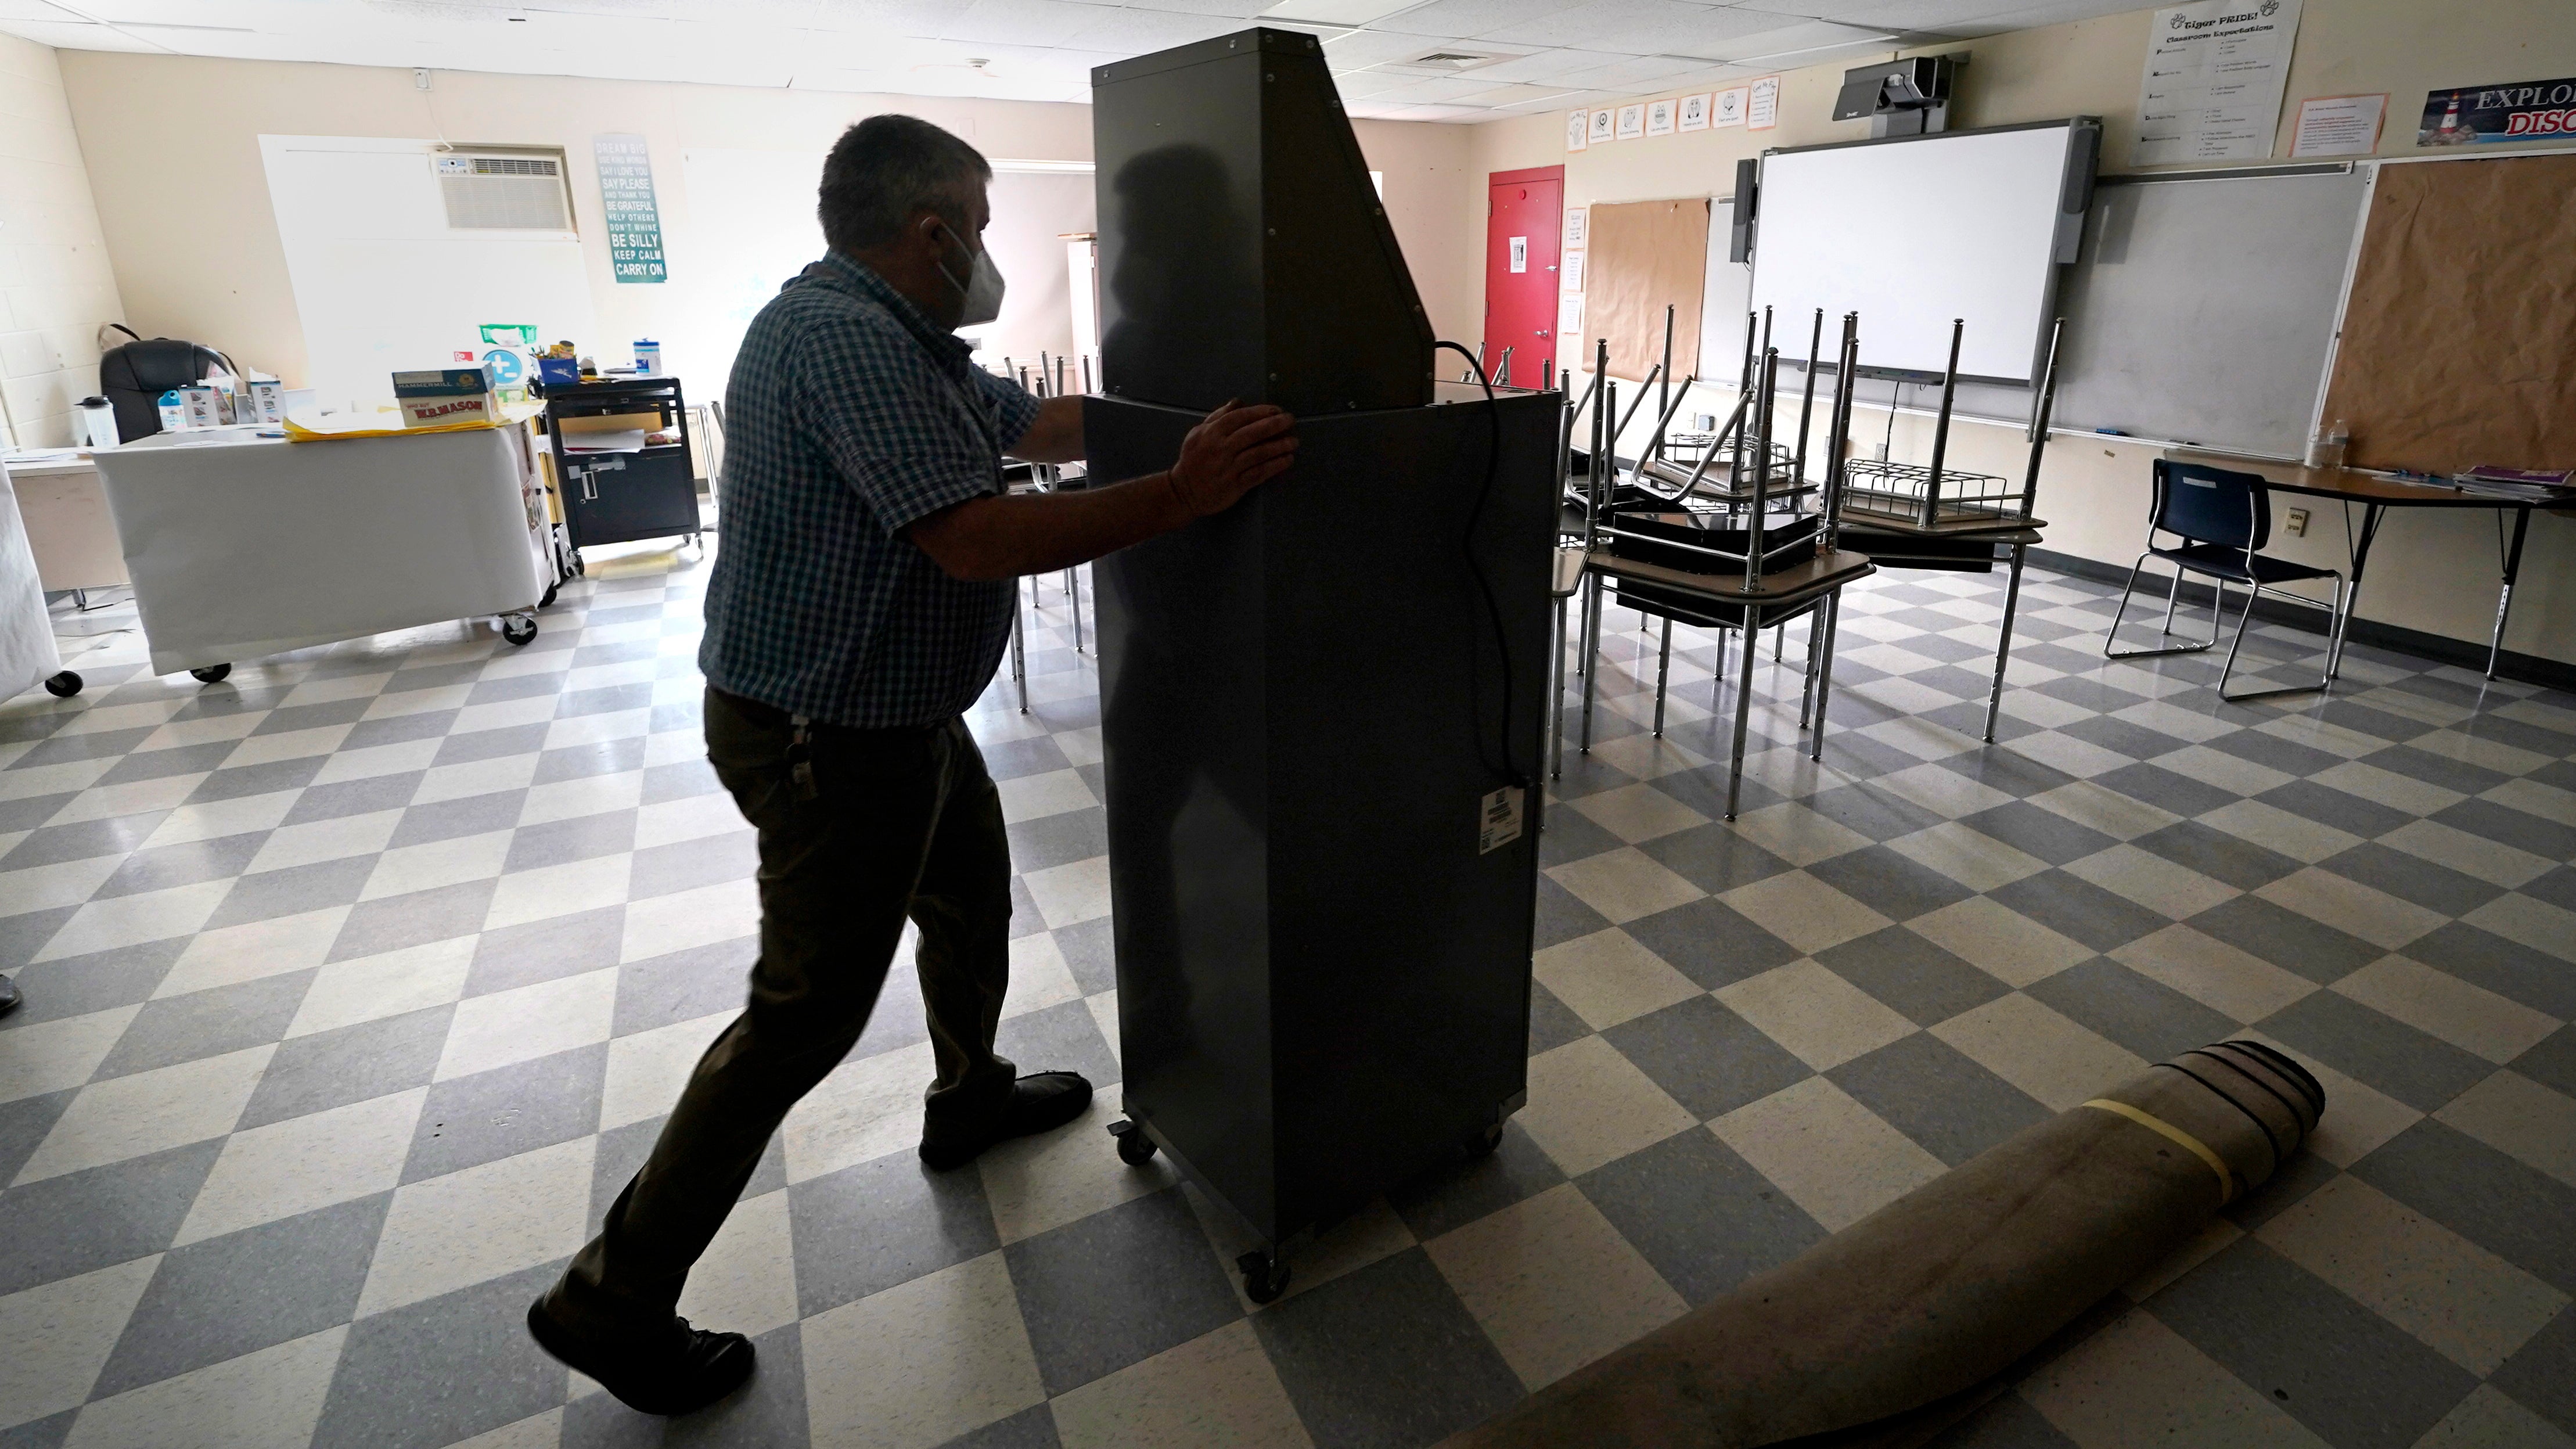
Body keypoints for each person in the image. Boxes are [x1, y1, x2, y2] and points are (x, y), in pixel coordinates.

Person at [526, 114, 1297, 1415]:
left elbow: (1037, 422)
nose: (989, 252)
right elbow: (976, 535)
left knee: (968, 897)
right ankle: (610, 1299)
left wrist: (1178, 420)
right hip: (830, 733)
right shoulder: (840, 341)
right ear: (932, 232)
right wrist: (1184, 494)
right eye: (983, 228)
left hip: (900, 714)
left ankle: (968, 1092)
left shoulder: (899, 338)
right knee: (802, 1019)